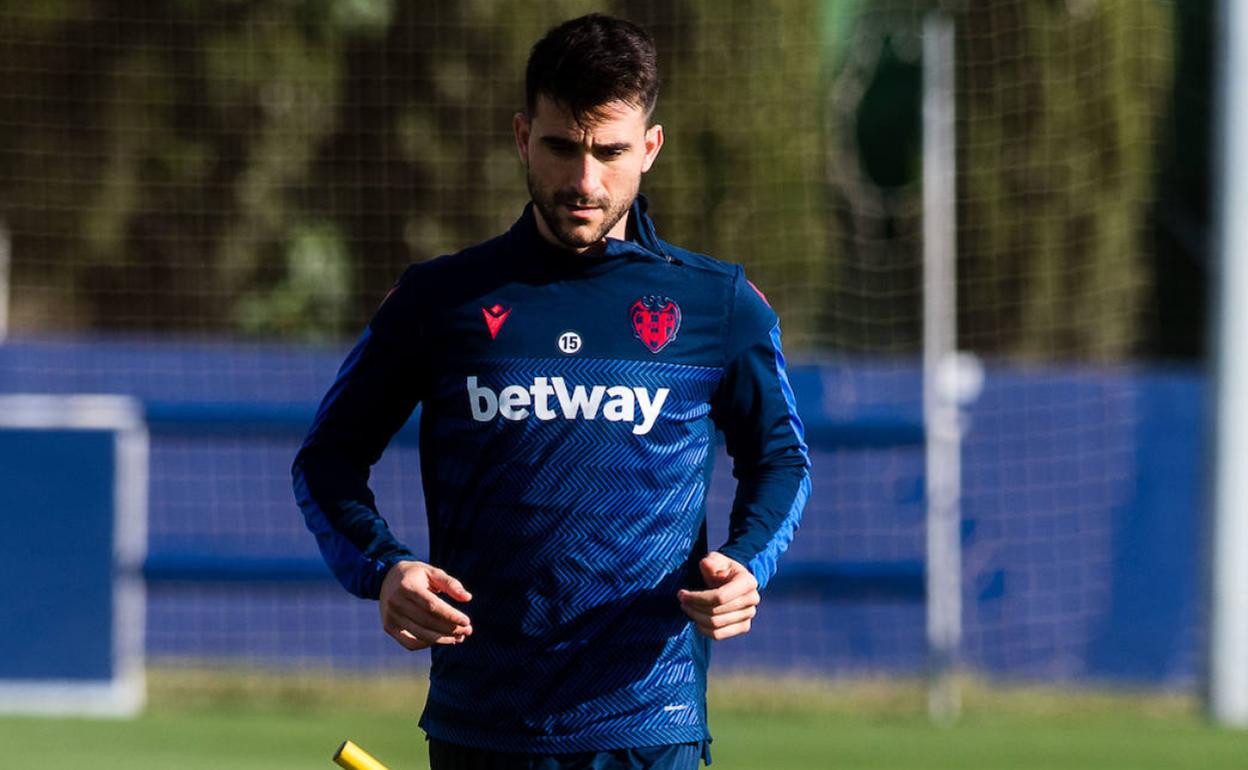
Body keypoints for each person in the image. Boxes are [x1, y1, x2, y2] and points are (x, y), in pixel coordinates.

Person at [292, 13, 810, 770]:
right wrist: (383, 570)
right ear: (521, 136)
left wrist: (747, 563)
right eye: (562, 147)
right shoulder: (440, 300)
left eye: (611, 152)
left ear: (651, 149)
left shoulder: (716, 304)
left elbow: (782, 459)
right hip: (482, 724)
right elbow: (327, 461)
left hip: (648, 724)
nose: (585, 181)